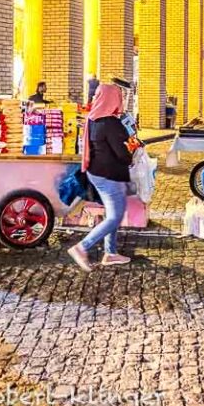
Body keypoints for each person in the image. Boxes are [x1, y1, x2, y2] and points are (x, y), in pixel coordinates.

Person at [68, 84, 136, 271]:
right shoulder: (110, 122)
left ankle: (111, 253)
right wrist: (132, 151)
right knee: (115, 216)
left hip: (96, 172)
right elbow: (122, 153)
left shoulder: (92, 118)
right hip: (109, 175)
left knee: (111, 213)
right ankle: (82, 247)